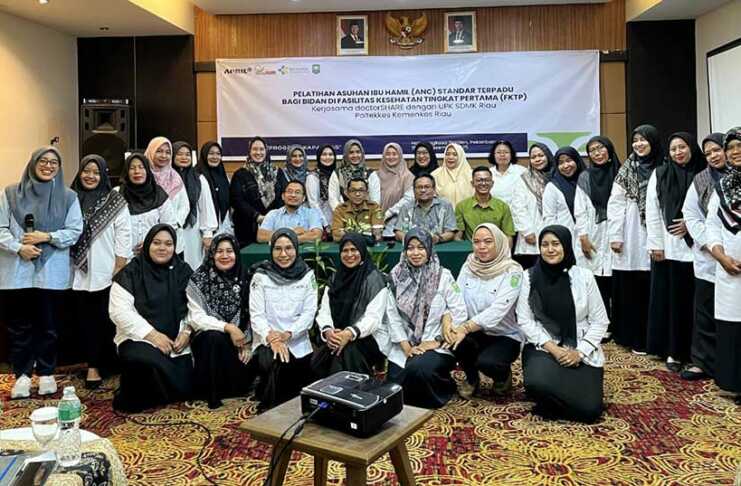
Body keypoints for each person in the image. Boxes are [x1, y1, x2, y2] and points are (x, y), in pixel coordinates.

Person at [1, 147, 83, 399]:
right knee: (19, 327)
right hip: (17, 273)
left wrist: (47, 237)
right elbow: (0, 228)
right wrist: (19, 248)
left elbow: (75, 230)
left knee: (48, 326)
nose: (48, 166)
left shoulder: (68, 197)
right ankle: (22, 375)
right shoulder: (10, 193)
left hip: (51, 273)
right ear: (33, 163)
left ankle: (47, 372)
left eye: (54, 162)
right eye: (43, 161)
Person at [518, 225, 608, 423]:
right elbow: (525, 320)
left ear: (566, 246)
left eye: (556, 244)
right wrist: (554, 349)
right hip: (544, 346)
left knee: (590, 411)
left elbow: (600, 321)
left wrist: (580, 352)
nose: (550, 249)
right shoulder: (529, 277)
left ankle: (555, 402)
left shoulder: (584, 276)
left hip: (580, 345)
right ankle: (551, 396)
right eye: (545, 245)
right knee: (536, 383)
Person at [109, 224, 194, 412]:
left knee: (191, 374)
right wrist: (153, 335)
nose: (162, 248)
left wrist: (187, 331)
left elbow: (195, 306)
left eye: (168, 244)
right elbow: (119, 312)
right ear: (147, 244)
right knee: (142, 361)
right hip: (140, 339)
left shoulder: (182, 271)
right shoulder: (131, 272)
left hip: (177, 341)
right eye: (156, 243)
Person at [386, 228, 468, 408]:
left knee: (418, 369)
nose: (415, 253)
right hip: (406, 343)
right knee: (394, 385)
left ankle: (445, 387)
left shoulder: (443, 276)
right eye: (410, 248)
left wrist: (436, 340)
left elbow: (460, 311)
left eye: (421, 247)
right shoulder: (396, 276)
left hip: (436, 344)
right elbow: (392, 316)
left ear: (429, 249)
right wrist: (407, 347)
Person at [70, 154, 131, 389]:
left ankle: (107, 362)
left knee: (106, 319)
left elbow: (124, 233)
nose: (90, 176)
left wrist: (119, 265)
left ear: (103, 175)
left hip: (107, 269)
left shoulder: (115, 200)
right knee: (84, 321)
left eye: (96, 172)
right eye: (86, 171)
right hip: (75, 270)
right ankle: (92, 366)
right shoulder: (70, 199)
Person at [646, 132, 706, 371]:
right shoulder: (660, 173)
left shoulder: (704, 173)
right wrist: (656, 245)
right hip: (670, 249)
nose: (678, 152)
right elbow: (652, 210)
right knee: (672, 304)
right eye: (673, 149)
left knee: (694, 304)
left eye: (682, 147)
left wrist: (691, 224)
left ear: (692, 147)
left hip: (700, 250)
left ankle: (695, 353)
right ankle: (672, 352)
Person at [444, 224, 523, 399]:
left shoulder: (513, 270)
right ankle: (472, 378)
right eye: (477, 242)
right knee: (452, 340)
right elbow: (456, 297)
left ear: (499, 242)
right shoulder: (469, 265)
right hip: (474, 332)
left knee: (488, 362)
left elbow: (499, 309)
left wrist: (464, 328)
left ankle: (503, 377)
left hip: (504, 334)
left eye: (488, 241)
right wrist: (450, 323)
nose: (482, 247)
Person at [607, 125, 662, 354]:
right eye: (635, 140)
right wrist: (615, 236)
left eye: (643, 140)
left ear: (653, 142)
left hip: (657, 230)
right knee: (631, 287)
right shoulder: (626, 170)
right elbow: (615, 203)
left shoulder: (663, 166)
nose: (638, 144)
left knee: (653, 288)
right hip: (631, 232)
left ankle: (653, 339)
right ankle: (630, 336)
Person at [249, 228, 317, 411]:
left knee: (301, 377)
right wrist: (272, 338)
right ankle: (271, 412)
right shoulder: (261, 276)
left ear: (296, 248)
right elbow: (256, 315)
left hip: (296, 340)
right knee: (278, 361)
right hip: (267, 340)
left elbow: (309, 313)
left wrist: (288, 334)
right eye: (278, 249)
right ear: (271, 250)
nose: (283, 254)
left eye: (288, 248)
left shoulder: (307, 275)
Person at [186, 233, 254, 409]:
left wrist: (248, 344)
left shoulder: (247, 277)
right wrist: (228, 327)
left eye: (229, 251)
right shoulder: (199, 279)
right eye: (219, 251)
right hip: (209, 344)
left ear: (236, 253)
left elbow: (254, 314)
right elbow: (196, 317)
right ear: (211, 254)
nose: (224, 256)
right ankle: (212, 392)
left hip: (240, 345)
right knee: (213, 337)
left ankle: (234, 385)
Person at [680, 132, 727, 380]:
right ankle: (702, 362)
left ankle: (728, 366)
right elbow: (691, 215)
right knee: (705, 312)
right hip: (708, 256)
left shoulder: (736, 176)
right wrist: (710, 244)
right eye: (708, 153)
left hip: (735, 253)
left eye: (717, 150)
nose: (713, 156)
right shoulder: (701, 179)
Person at [313, 233, 394, 377]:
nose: (349, 255)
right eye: (345, 250)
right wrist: (328, 331)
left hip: (369, 337)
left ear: (362, 251)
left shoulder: (374, 280)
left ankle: (354, 389)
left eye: (354, 250)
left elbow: (373, 318)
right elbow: (324, 310)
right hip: (337, 334)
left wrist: (349, 333)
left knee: (346, 354)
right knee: (320, 361)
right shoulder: (336, 278)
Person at [706, 127, 741, 403]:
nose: (735, 152)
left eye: (739, 146)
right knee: (732, 327)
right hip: (729, 267)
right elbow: (712, 225)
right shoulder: (723, 187)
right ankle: (735, 382)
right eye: (731, 148)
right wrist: (720, 256)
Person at [574, 136, 620, 325]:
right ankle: (601, 323)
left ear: (609, 150)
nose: (597, 153)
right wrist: (583, 237)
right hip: (593, 233)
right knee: (596, 281)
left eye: (600, 148)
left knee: (618, 281)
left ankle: (618, 324)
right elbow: (580, 210)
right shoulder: (585, 177)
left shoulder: (621, 173)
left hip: (618, 233)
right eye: (592, 150)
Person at [116, 153, 178, 255]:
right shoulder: (118, 194)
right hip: (124, 256)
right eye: (132, 168)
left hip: (154, 254)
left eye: (141, 167)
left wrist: (150, 242)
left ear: (147, 170)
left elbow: (169, 225)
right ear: (127, 172)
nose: (137, 171)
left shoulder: (158, 195)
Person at [172, 141, 218, 269]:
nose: (184, 157)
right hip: (171, 230)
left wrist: (208, 234)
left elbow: (206, 207)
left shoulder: (199, 179)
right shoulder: (166, 179)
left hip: (193, 232)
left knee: (193, 266)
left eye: (187, 154)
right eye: (179, 154)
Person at [230, 136, 280, 248]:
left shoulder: (277, 172)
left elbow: (283, 196)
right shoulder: (240, 174)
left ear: (266, 151)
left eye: (261, 149)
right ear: (249, 151)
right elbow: (237, 200)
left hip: (274, 226)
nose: (258, 152)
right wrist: (257, 216)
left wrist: (272, 217)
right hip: (247, 228)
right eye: (255, 149)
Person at [511, 143, 554, 269]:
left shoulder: (557, 177)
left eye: (541, 155)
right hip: (531, 235)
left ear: (548, 156)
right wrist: (527, 231)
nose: (537, 159)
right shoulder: (524, 179)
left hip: (554, 232)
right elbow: (518, 208)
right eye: (533, 157)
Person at [145, 137, 189, 254]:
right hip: (146, 238)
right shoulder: (143, 177)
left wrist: (174, 224)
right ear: (151, 152)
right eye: (159, 151)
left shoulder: (175, 177)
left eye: (168, 152)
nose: (164, 156)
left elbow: (184, 206)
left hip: (173, 236)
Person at [455, 165, 516, 243]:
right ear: (472, 183)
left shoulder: (503, 207)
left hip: (496, 249)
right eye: (479, 180)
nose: (483, 183)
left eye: (487, 180)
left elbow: (508, 236)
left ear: (492, 183)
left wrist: (505, 251)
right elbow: (458, 236)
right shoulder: (461, 206)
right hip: (471, 249)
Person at [394, 173, 457, 244]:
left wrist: (437, 239)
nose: (423, 190)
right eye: (419, 187)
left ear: (434, 189)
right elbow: (398, 232)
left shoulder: (445, 205)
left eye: (427, 187)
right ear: (414, 190)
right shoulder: (406, 207)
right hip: (412, 247)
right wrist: (411, 240)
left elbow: (451, 232)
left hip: (438, 246)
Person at [257, 181, 323, 243]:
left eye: (297, 192)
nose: (293, 195)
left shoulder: (312, 213)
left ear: (303, 198)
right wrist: (292, 233)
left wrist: (281, 236)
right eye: (290, 191)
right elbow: (261, 236)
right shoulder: (273, 214)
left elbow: (317, 235)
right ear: (283, 196)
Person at [328, 139, 380, 211]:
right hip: (343, 214)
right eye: (351, 152)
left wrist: (368, 215)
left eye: (358, 152)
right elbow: (333, 199)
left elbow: (375, 200)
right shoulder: (337, 173)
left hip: (367, 214)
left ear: (362, 153)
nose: (355, 155)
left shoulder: (370, 174)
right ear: (346, 154)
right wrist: (342, 214)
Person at [376, 143, 415, 236]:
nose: (391, 157)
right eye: (388, 154)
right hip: (377, 223)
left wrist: (389, 213)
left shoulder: (408, 176)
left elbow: (408, 200)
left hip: (400, 223)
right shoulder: (376, 175)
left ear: (400, 156)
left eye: (394, 154)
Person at [331, 178, 384, 242]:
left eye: (361, 190)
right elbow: (337, 236)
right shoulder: (340, 209)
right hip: (348, 246)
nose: (357, 194)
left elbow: (377, 235)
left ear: (367, 193)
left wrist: (348, 235)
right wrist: (365, 236)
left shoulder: (374, 207)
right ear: (347, 193)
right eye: (353, 190)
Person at [197, 141, 233, 235]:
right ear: (204, 155)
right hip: (203, 230)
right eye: (211, 153)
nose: (215, 157)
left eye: (218, 154)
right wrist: (207, 232)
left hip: (223, 226)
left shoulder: (223, 176)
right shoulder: (197, 176)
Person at [432, 143, 473, 208]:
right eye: (447, 154)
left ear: (460, 156)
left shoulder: (471, 175)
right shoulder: (435, 175)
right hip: (443, 213)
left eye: (455, 154)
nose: (450, 157)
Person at [306, 144, 336, 229]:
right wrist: (325, 224)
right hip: (320, 223)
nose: (327, 157)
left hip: (337, 220)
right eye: (324, 154)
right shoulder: (312, 176)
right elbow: (313, 203)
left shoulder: (336, 174)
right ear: (319, 157)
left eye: (330, 154)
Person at [488, 140, 527, 206]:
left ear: (511, 154)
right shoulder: (488, 173)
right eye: (498, 152)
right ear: (493, 155)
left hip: (517, 211)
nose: (502, 155)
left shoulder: (522, 171)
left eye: (506, 152)